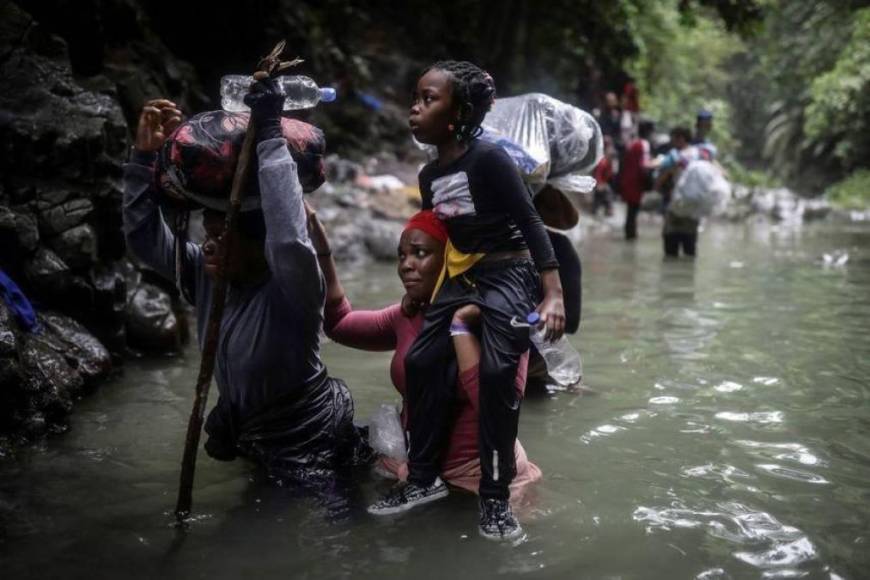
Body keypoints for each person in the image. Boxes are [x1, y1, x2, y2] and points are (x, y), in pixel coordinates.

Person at [122, 88, 368, 492]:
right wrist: (143, 158)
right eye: (208, 233)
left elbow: (290, 238)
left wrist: (271, 134)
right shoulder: (205, 274)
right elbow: (145, 240)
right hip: (254, 432)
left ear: (260, 243)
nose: (209, 244)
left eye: (223, 235)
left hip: (309, 436)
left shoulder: (293, 287)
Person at [366, 60, 565, 541]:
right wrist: (421, 293)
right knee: (421, 359)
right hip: (466, 275)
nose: (415, 108)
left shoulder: (490, 159)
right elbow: (444, 241)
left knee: (498, 373)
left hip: (510, 271)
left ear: (457, 113)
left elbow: (531, 221)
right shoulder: (429, 175)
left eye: (428, 99)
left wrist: (553, 291)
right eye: (416, 97)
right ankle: (424, 477)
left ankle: (495, 500)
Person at [306, 207, 542, 499]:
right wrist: (322, 252)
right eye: (402, 255)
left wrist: (460, 327)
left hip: (479, 480)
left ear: (451, 260)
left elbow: (496, 410)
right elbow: (339, 325)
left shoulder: (496, 318)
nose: (406, 265)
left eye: (420, 253)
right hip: (416, 472)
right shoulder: (408, 315)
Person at [655, 126, 705, 258]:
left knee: (671, 250)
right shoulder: (699, 154)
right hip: (693, 207)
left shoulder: (674, 155)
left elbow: (660, 180)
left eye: (673, 138)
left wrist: (657, 187)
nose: (672, 142)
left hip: (676, 206)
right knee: (690, 250)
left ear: (681, 138)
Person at [619, 119, 656, 240]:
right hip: (636, 183)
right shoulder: (644, 144)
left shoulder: (633, 143)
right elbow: (644, 165)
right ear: (649, 132)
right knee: (632, 212)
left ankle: (630, 236)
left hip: (627, 181)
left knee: (630, 212)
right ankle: (631, 237)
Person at [592, 135, 616, 217]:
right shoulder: (603, 162)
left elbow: (610, 175)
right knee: (605, 193)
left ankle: (606, 210)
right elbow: (598, 174)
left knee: (606, 194)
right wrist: (599, 184)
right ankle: (598, 209)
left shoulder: (609, 163)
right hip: (598, 182)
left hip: (604, 182)